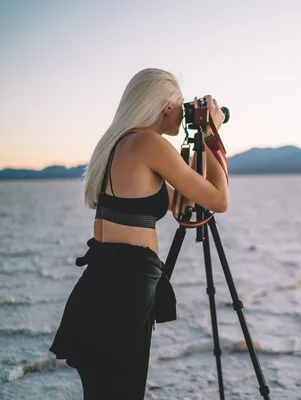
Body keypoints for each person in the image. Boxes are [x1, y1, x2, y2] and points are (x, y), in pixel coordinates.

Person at [49, 68, 229, 400]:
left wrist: (200, 140)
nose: (184, 114)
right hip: (125, 290)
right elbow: (219, 199)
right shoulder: (149, 143)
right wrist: (209, 133)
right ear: (165, 106)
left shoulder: (119, 144)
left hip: (103, 284)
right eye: (181, 106)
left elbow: (189, 201)